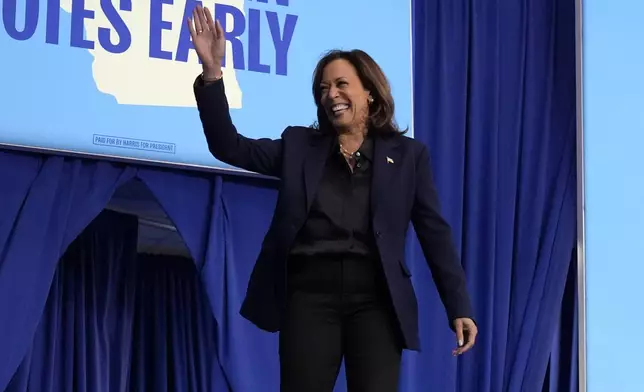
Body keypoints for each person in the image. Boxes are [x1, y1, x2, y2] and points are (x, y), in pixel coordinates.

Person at [187, 6, 477, 391]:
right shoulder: (298, 145)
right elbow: (228, 146)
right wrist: (212, 74)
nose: (332, 94)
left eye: (342, 84)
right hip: (309, 298)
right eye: (324, 88)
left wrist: (458, 306)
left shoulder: (408, 157)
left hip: (377, 300)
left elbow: (434, 235)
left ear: (369, 93)